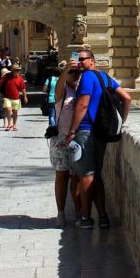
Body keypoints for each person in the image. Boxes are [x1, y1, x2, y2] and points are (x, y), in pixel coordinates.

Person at [66, 51, 132, 230]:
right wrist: (121, 121)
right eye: (77, 59)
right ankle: (102, 216)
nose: (79, 62)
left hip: (86, 131)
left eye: (82, 59)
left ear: (92, 61)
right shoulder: (104, 76)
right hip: (102, 132)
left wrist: (72, 131)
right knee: (96, 174)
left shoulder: (87, 77)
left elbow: (83, 104)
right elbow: (127, 98)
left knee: (86, 174)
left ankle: (86, 218)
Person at [49, 62, 82, 227]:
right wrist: (67, 69)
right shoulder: (62, 91)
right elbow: (59, 86)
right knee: (61, 177)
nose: (76, 75)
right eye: (73, 72)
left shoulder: (82, 90)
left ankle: (78, 212)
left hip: (77, 139)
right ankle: (61, 212)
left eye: (78, 72)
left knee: (76, 177)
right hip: (61, 139)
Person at [0, 62, 27, 131]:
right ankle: (9, 124)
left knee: (15, 112)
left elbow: (23, 88)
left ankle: (14, 125)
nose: (18, 71)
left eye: (18, 70)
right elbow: (0, 81)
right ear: (13, 70)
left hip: (16, 98)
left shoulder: (20, 78)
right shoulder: (7, 76)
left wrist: (25, 96)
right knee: (8, 109)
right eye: (16, 70)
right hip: (7, 97)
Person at [42, 61, 64, 127]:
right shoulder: (62, 79)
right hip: (60, 100)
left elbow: (44, 89)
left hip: (51, 99)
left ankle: (52, 128)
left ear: (53, 73)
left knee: (51, 115)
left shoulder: (50, 79)